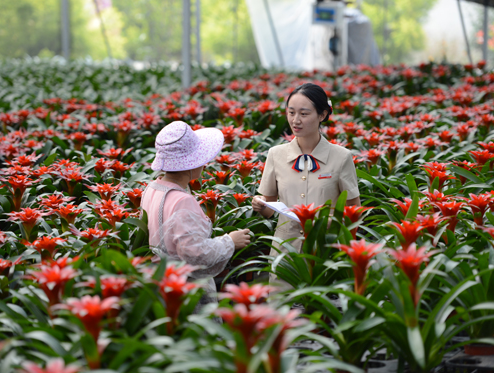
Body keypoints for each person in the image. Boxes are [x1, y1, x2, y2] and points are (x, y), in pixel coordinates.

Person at [251, 83, 361, 278]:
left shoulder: (341, 157)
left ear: (322, 115)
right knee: (281, 306)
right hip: (284, 253)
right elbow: (269, 211)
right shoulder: (276, 154)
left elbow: (353, 212)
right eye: (291, 112)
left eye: (304, 114)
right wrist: (260, 205)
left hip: (326, 254)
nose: (295, 120)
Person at [141, 121, 251, 308]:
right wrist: (230, 241)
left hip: (158, 280)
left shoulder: (152, 188)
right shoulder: (183, 200)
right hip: (185, 288)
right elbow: (195, 254)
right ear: (191, 163)